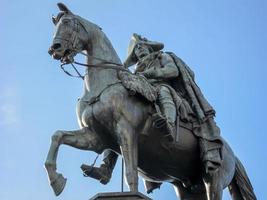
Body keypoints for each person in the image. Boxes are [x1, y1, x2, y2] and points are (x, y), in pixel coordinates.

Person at [81, 34, 223, 192]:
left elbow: (172, 71)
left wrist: (149, 74)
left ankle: (168, 124)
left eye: (141, 47)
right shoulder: (137, 69)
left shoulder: (162, 56)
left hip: (162, 87)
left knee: (163, 92)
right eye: (136, 50)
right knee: (115, 122)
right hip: (144, 91)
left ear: (149, 47)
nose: (139, 51)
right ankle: (106, 167)